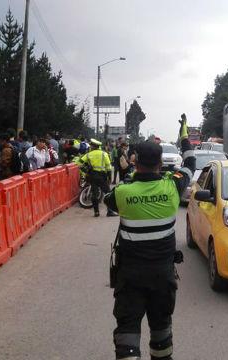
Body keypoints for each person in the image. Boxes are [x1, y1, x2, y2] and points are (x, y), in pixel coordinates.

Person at [104, 114, 196, 360]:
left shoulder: (123, 192)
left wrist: (128, 175)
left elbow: (107, 199)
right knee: (161, 328)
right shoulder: (172, 187)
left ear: (135, 161)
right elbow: (190, 161)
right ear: (160, 163)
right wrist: (184, 132)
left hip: (130, 275)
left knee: (127, 330)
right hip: (162, 275)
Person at [77, 138, 113, 217]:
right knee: (108, 193)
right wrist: (110, 177)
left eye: (91, 145)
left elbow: (79, 163)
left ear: (93, 146)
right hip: (102, 176)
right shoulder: (104, 154)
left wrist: (85, 170)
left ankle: (96, 212)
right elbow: (108, 166)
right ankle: (109, 211)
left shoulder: (89, 154)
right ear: (98, 146)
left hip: (92, 175)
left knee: (94, 194)